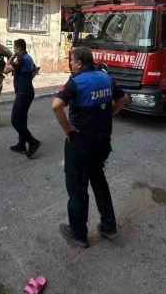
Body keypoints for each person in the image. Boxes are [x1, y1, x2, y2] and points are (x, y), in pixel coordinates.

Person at [52, 47, 127, 248]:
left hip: (81, 143)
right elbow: (122, 99)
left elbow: (56, 105)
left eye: (72, 62)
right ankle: (109, 227)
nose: (71, 65)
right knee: (98, 180)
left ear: (78, 63)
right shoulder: (105, 78)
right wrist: (108, 116)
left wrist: (67, 128)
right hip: (102, 143)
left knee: (77, 188)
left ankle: (78, 233)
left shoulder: (76, 81)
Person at [3, 39, 41, 158]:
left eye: (14, 48)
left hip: (23, 93)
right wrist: (27, 80)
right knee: (22, 119)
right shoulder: (28, 58)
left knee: (15, 120)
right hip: (28, 91)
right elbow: (35, 70)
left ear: (18, 49)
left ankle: (33, 142)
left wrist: (12, 56)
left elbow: (6, 70)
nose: (13, 50)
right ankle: (21, 144)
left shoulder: (21, 59)